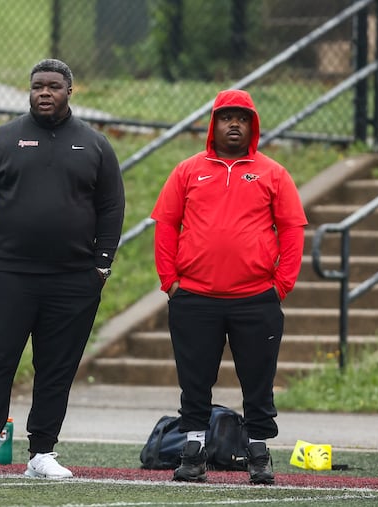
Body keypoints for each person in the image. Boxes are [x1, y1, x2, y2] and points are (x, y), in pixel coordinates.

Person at [0, 58, 125, 479]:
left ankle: (42, 452)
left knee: (57, 365)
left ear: (70, 91)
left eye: (53, 86)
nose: (44, 92)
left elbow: (111, 207)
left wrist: (101, 266)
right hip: (11, 274)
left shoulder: (95, 144)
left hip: (73, 278)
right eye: (37, 86)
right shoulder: (3, 139)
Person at [151, 89, 307, 485]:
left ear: (252, 125)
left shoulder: (273, 172)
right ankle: (193, 450)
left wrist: (281, 284)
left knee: (258, 379)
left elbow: (291, 229)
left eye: (242, 118)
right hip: (194, 298)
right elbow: (166, 223)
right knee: (194, 380)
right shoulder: (188, 170)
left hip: (256, 299)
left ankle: (257, 451)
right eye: (226, 117)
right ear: (213, 124)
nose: (233, 124)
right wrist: (170, 281)